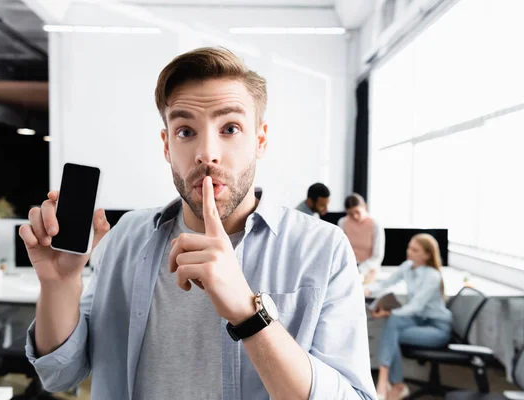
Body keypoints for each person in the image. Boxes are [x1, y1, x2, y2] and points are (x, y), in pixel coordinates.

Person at [22, 47, 376, 400]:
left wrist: (247, 313)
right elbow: (59, 375)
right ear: (167, 145)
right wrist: (60, 283)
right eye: (186, 131)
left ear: (260, 140)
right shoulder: (126, 236)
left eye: (231, 128)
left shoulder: (322, 248)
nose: (207, 153)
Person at [364, 234, 452, 400]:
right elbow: (385, 283)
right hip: (419, 321)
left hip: (437, 328)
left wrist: (388, 313)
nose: (409, 252)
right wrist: (367, 288)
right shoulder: (407, 266)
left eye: (415, 250)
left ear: (427, 255)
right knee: (392, 327)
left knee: (392, 327)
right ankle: (393, 385)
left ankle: (388, 384)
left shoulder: (433, 276)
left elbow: (415, 307)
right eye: (409, 247)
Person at [338, 193, 385, 284]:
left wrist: (360, 269)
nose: (355, 216)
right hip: (348, 267)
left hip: (368, 270)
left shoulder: (375, 225)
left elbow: (377, 256)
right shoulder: (342, 223)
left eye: (357, 212)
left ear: (364, 206)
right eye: (350, 214)